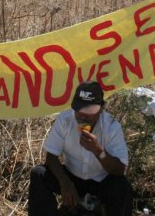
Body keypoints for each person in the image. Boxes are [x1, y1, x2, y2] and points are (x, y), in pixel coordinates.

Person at [28, 81, 132, 216]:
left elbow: (119, 170)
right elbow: (51, 156)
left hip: (101, 181)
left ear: (101, 108)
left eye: (89, 112)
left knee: (122, 187)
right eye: (79, 110)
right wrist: (64, 182)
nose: (82, 116)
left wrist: (98, 151)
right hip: (72, 176)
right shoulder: (65, 119)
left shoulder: (111, 127)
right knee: (39, 174)